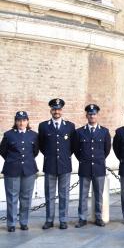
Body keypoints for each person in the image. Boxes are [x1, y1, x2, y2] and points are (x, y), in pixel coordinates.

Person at [39, 98, 76, 230]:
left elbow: (73, 146)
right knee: (49, 194)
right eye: (54, 109)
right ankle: (49, 220)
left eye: (59, 109)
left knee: (64, 194)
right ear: (51, 110)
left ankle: (63, 220)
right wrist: (50, 156)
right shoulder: (43, 126)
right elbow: (42, 146)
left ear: (62, 110)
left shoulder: (70, 126)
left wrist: (65, 157)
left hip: (65, 165)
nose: (56, 111)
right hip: (49, 165)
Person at [72, 104, 111, 228]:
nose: (92, 116)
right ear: (86, 116)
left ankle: (98, 217)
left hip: (99, 167)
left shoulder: (104, 132)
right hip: (85, 167)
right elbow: (76, 150)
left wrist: (97, 159)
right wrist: (84, 160)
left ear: (97, 115)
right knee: (83, 194)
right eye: (90, 114)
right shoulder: (79, 132)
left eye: (94, 114)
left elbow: (106, 150)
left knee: (98, 193)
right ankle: (82, 218)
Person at [0, 111, 39, 232]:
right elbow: (3, 151)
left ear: (27, 121)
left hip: (29, 169)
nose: (21, 123)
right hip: (12, 170)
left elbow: (35, 151)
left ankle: (23, 222)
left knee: (26, 197)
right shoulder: (8, 135)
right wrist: (13, 161)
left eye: (23, 120)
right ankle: (11, 223)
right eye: (18, 120)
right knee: (12, 197)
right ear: (15, 121)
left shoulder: (33, 135)